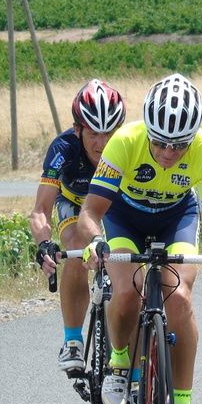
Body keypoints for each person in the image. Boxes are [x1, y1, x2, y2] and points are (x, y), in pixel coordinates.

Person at [77, 73, 202, 404]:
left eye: (179, 145)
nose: (168, 153)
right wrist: (97, 243)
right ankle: (118, 361)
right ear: (147, 130)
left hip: (175, 219)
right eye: (161, 142)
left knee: (178, 297)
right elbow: (91, 212)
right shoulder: (125, 142)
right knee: (127, 290)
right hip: (123, 217)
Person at [30, 79, 126, 373]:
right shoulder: (63, 148)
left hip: (114, 203)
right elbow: (40, 210)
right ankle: (73, 341)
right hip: (74, 202)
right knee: (75, 247)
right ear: (78, 129)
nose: (103, 142)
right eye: (94, 133)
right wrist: (44, 243)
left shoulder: (129, 145)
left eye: (109, 132)